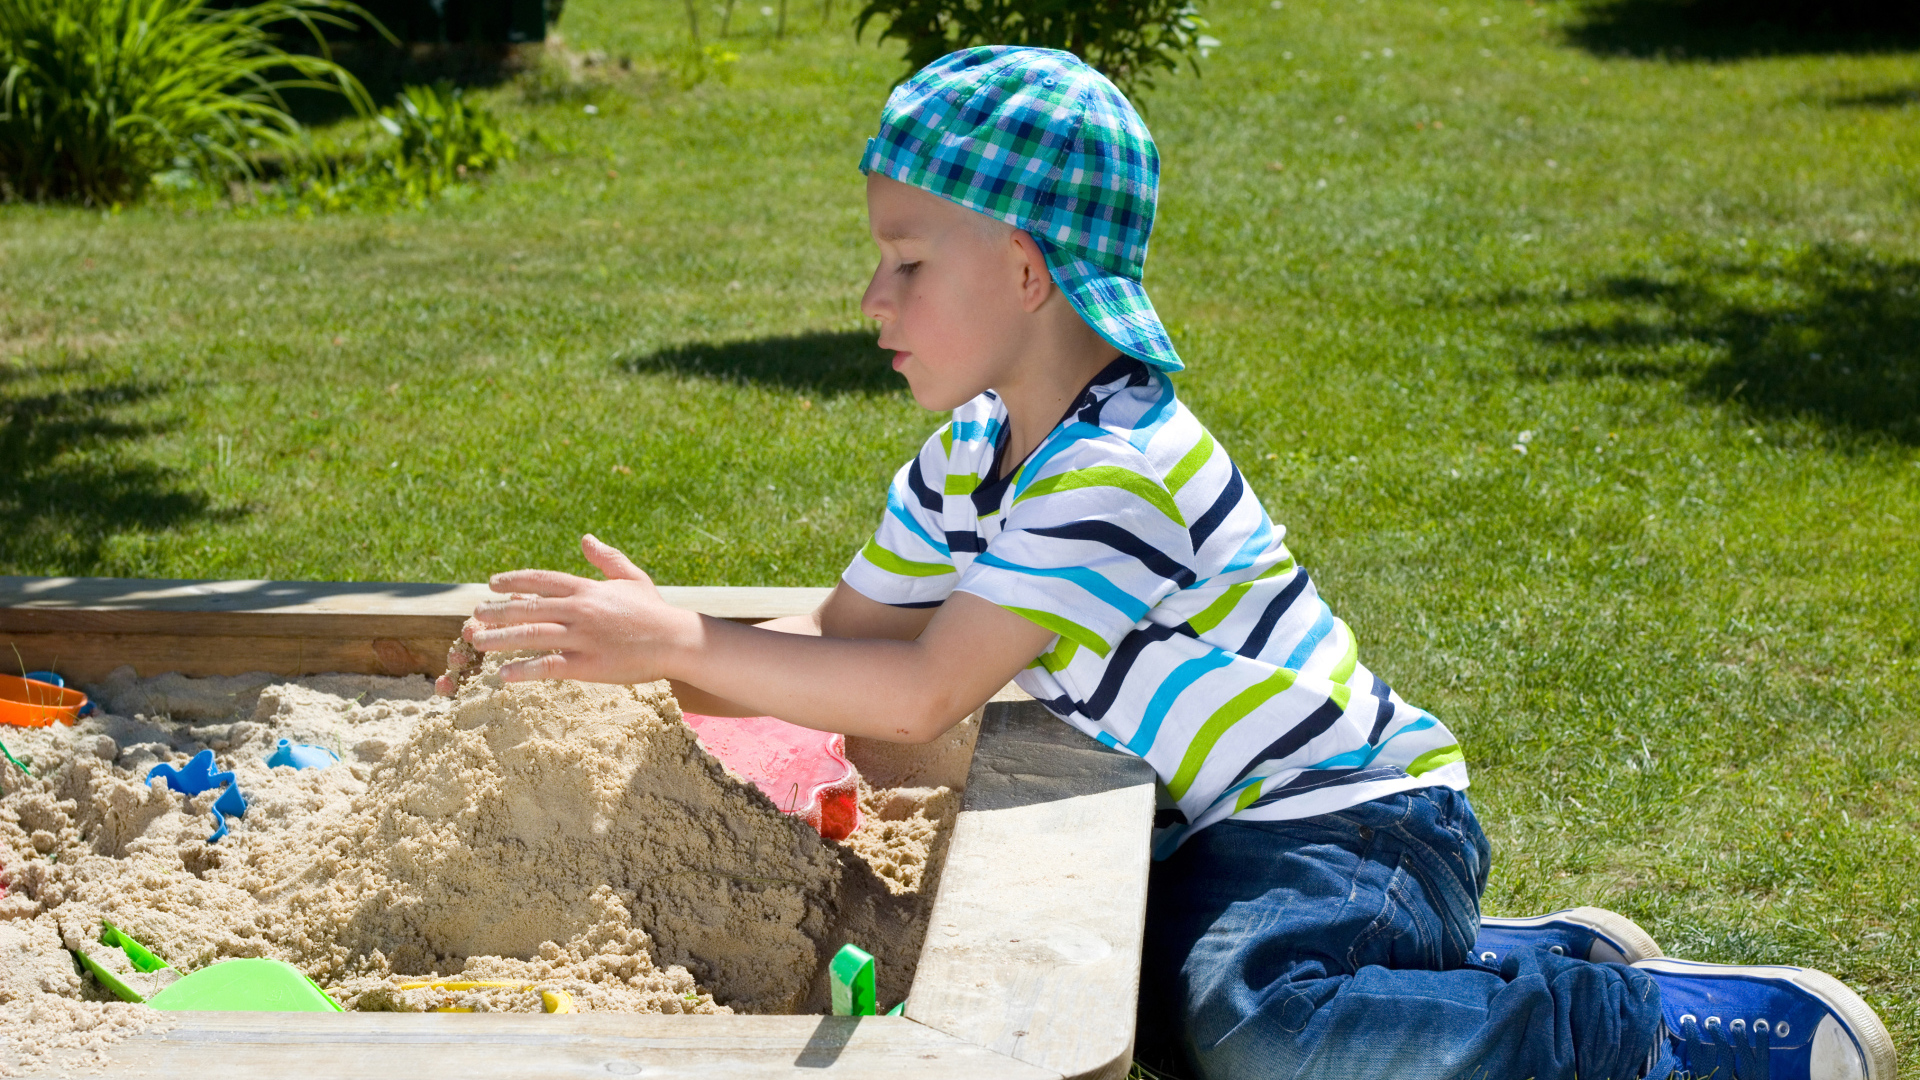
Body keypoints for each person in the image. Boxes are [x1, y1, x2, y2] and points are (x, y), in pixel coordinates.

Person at [440, 46, 1894, 1080]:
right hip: (1214, 835)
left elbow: (929, 686)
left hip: (1349, 821)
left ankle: (1658, 1033)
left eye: (906, 260)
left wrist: (684, 643)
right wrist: (662, 645)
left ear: (1026, 271)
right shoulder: (971, 451)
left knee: (1251, 1029)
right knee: (1115, 994)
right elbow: (849, 649)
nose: (868, 294)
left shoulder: (1115, 467)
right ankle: (1495, 963)